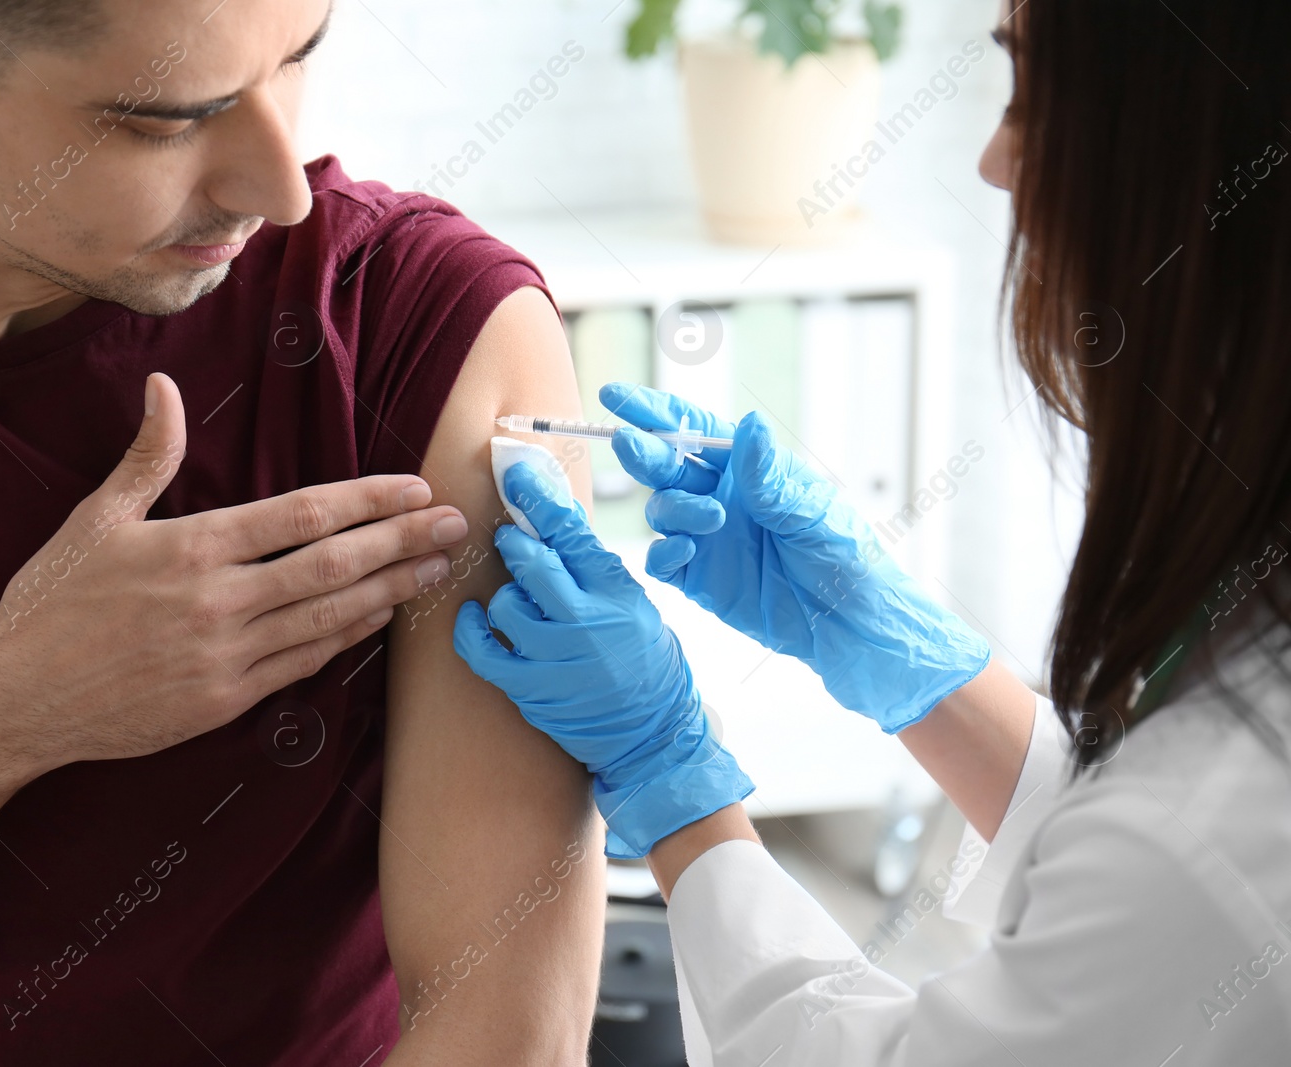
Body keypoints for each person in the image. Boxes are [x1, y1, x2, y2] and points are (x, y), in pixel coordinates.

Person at [0, 0, 608, 1063]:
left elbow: (505, 1038)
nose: (276, 186)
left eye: (298, 57)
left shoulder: (422, 324)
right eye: (168, 119)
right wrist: (0, 712)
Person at [455, 0, 1291, 1063]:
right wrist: (875, 629)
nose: (995, 162)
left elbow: (1163, 878)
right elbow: (1129, 837)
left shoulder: (1213, 833)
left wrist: (672, 775)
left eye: (1032, 95)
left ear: (1194, 157)